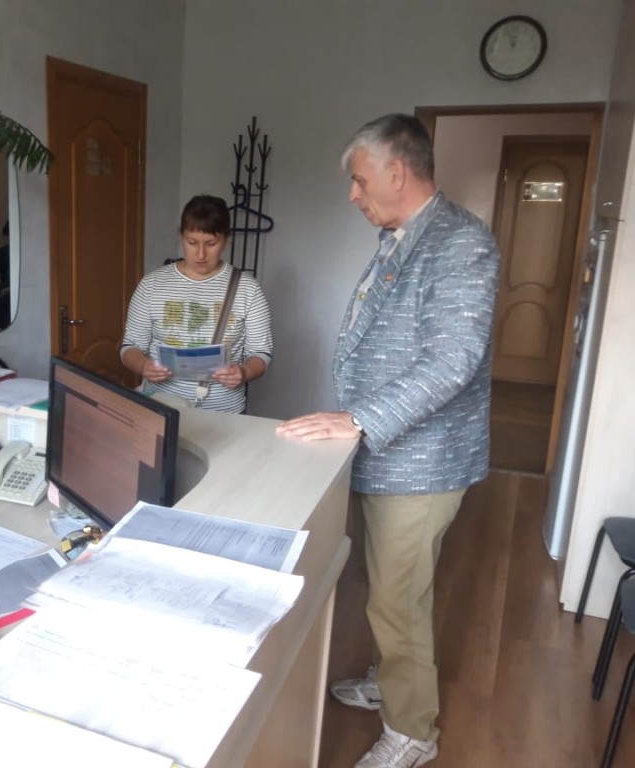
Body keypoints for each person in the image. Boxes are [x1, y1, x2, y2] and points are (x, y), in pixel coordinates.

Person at [276, 114, 499, 768]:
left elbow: (453, 361)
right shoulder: (403, 236)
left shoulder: (460, 242)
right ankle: (387, 680)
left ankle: (413, 732)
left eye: (359, 179)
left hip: (422, 461)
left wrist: (358, 419)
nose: (352, 193)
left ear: (397, 172)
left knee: (399, 599)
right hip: (387, 450)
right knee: (386, 585)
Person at [121, 194, 273, 413]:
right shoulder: (152, 284)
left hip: (224, 414)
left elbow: (261, 353)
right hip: (160, 407)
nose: (201, 254)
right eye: (192, 243)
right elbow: (130, 346)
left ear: (226, 239)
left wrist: (244, 372)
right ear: (181, 236)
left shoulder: (248, 289)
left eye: (211, 243)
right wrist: (143, 365)